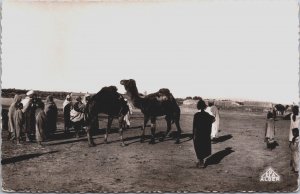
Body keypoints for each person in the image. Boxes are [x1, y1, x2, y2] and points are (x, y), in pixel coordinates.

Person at [193, 98, 215, 168]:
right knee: (204, 147)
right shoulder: (208, 115)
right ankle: (201, 161)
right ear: (205, 106)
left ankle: (201, 162)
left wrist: (193, 134)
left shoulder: (196, 115)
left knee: (198, 147)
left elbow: (194, 126)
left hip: (198, 134)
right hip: (205, 134)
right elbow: (213, 119)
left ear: (198, 106)